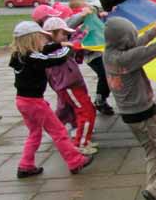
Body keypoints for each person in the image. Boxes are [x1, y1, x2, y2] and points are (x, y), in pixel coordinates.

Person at [103, 16, 156, 200]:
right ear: (125, 40)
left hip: (128, 115)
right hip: (144, 113)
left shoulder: (109, 54)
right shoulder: (126, 58)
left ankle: (155, 188)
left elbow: (135, 46)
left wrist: (153, 30)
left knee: (153, 151)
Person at [10, 21, 94, 178]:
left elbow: (45, 50)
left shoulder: (19, 55)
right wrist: (68, 47)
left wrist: (60, 43)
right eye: (41, 37)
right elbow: (55, 59)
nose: (44, 41)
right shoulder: (33, 57)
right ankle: (75, 161)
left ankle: (25, 165)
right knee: (59, 132)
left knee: (34, 133)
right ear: (32, 39)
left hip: (22, 101)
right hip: (34, 103)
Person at [42, 18, 98, 155]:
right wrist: (76, 41)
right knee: (86, 112)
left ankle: (84, 140)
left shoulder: (61, 48)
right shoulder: (51, 51)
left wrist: (81, 37)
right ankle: (81, 143)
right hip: (69, 87)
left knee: (89, 110)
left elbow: (73, 53)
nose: (66, 37)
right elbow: (65, 51)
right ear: (51, 34)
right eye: (63, 34)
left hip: (74, 86)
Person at [68, 0, 115, 115]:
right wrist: (81, 15)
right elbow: (69, 24)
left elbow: (96, 24)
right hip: (92, 55)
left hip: (100, 51)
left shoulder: (89, 16)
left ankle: (102, 98)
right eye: (85, 5)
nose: (87, 7)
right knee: (104, 74)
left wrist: (101, 15)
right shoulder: (75, 18)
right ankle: (100, 100)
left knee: (108, 74)